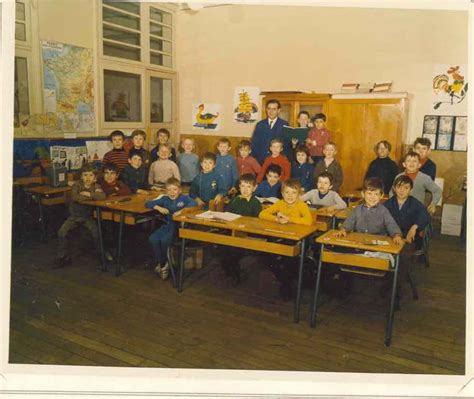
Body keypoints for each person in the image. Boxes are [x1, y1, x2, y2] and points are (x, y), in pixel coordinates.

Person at [259, 179, 313, 299]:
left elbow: (308, 221)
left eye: (293, 193)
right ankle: (285, 281)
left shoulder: (301, 205)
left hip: (296, 240)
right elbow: (262, 214)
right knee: (267, 256)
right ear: (282, 194)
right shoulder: (280, 203)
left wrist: (289, 219)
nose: (290, 196)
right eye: (287, 192)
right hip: (282, 237)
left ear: (299, 195)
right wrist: (277, 219)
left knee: (289, 260)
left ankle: (286, 284)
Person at [54, 164, 106, 268]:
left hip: (87, 217)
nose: (88, 178)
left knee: (96, 234)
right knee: (61, 233)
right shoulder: (77, 185)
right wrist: (92, 196)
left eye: (91, 175)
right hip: (73, 217)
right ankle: (62, 257)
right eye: (85, 175)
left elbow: (102, 196)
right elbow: (75, 197)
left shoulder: (96, 186)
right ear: (81, 177)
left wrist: (87, 194)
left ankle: (101, 255)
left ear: (95, 178)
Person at [145, 178, 197, 280]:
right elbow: (148, 203)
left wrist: (182, 211)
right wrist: (158, 207)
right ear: (166, 191)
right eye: (169, 190)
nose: (172, 192)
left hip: (178, 227)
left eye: (174, 189)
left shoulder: (184, 198)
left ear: (179, 190)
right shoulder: (164, 199)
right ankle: (163, 263)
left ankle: (164, 265)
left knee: (165, 241)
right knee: (153, 239)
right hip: (167, 225)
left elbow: (194, 204)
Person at [224, 173, 263, 285]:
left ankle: (236, 275)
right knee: (225, 249)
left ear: (254, 188)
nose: (245, 190)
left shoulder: (255, 202)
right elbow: (228, 213)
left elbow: (257, 220)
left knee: (234, 252)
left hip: (247, 234)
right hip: (233, 230)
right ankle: (231, 272)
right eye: (243, 186)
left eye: (249, 186)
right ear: (239, 187)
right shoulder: (236, 199)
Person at [336, 177, 402, 241]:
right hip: (359, 241)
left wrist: (396, 235)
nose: (372, 197)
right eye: (369, 193)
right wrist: (343, 230)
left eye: (376, 194)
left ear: (381, 196)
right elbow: (349, 223)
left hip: (377, 243)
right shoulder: (357, 210)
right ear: (363, 194)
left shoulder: (384, 211)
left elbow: (391, 224)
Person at [384, 175, 431, 249]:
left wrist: (414, 227)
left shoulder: (415, 203)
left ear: (411, 190)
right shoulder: (388, 204)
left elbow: (425, 215)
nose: (402, 191)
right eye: (399, 187)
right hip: (391, 238)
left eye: (406, 188)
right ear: (394, 188)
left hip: (410, 239)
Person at [250, 99, 288, 165]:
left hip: (277, 162)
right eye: (269, 108)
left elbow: (286, 145)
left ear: (279, 110)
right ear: (266, 110)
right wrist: (254, 160)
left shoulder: (284, 125)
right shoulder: (260, 125)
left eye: (274, 109)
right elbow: (254, 144)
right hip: (261, 161)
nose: (271, 111)